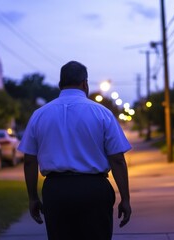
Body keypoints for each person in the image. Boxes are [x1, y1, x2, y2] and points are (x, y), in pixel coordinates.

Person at [18, 61, 132, 240]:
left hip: (56, 191)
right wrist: (125, 198)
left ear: (59, 84)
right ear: (85, 84)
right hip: (94, 190)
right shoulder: (102, 113)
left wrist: (33, 197)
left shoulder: (40, 114)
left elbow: (29, 160)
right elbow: (117, 159)